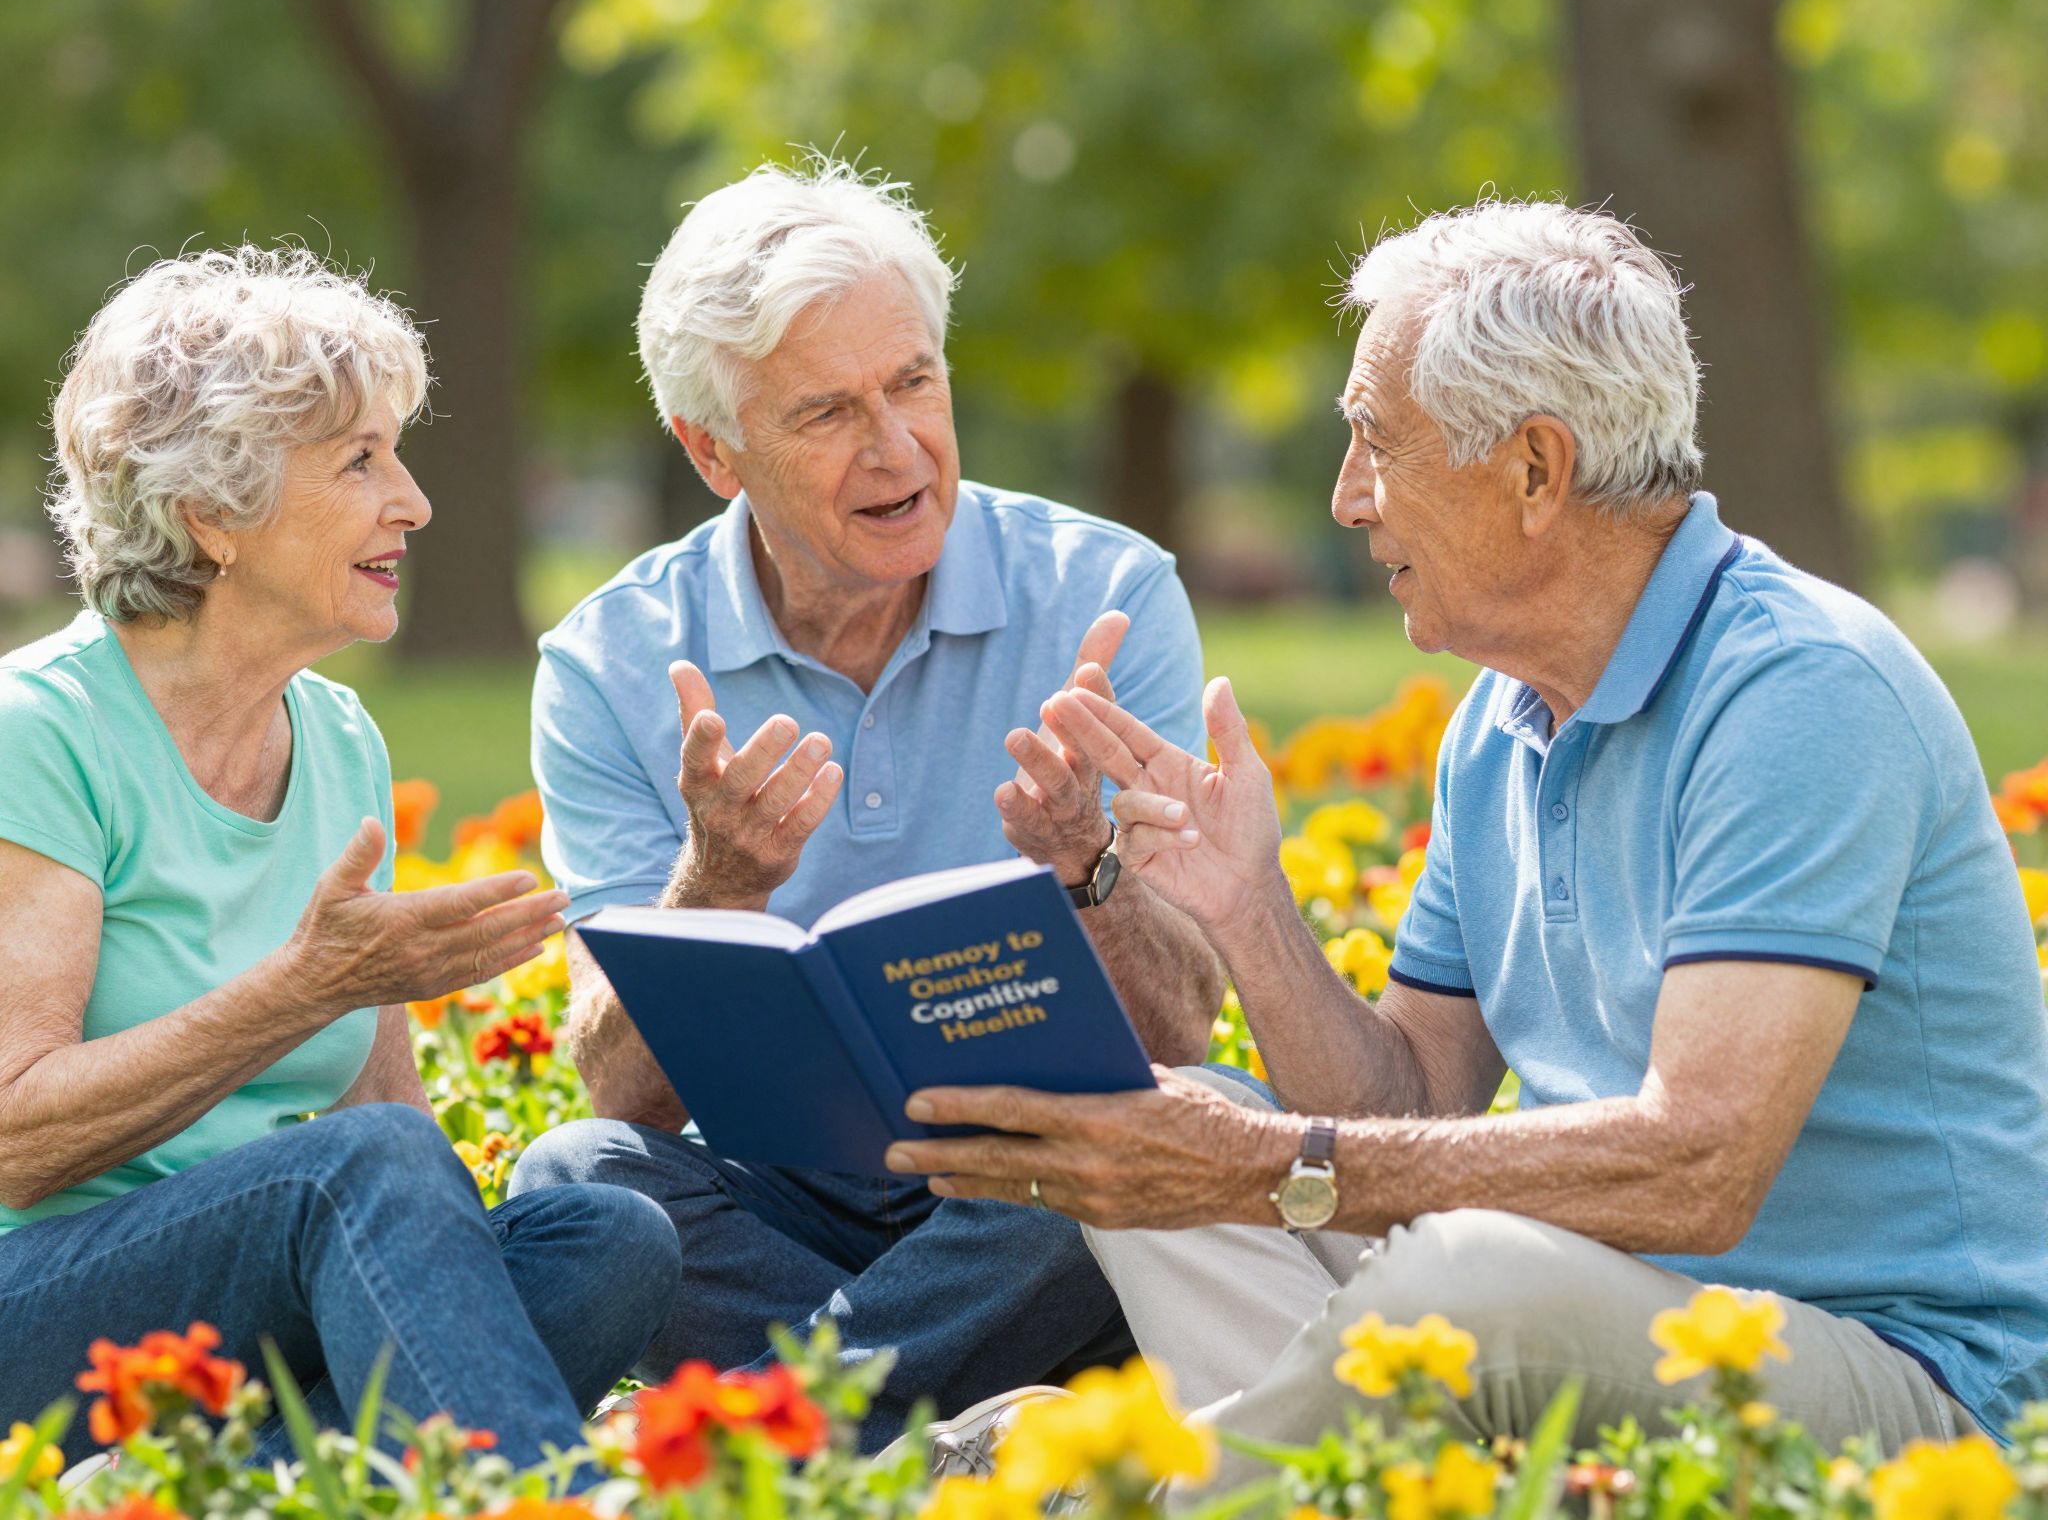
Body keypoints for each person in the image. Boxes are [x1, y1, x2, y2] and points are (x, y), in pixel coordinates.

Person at [884, 202, 2048, 1477]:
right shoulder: (1498, 720)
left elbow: (1697, 1171)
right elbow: (1408, 1105)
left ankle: (1124, 1495)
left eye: (1375, 442)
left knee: (1462, 1278)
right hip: (1595, 1329)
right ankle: (1308, 1486)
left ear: (1534, 469)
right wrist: (1247, 911)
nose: (1344, 499)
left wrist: (1268, 1162)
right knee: (1169, 1119)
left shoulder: (1797, 694)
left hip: (1917, 1392)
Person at [510, 157, 1223, 1451]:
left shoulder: (1106, 596)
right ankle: (950, 1415)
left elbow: (1181, 1028)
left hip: (1035, 1176)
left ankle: (767, 1439)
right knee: (578, 1181)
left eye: (912, 382)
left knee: (1152, 1155)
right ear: (711, 451)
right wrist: (718, 883)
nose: (896, 448)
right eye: (827, 412)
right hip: (784, 1190)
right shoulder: (610, 662)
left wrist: (1086, 865)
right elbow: (620, 1096)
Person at [0, 248, 682, 1471]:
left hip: (253, 1310)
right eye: (360, 461)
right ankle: (537, 1496)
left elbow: (385, 1115)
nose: (412, 501)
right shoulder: (40, 731)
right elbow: (17, 1139)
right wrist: (304, 989)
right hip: (44, 1305)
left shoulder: (339, 738)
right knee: (354, 1175)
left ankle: (214, 1485)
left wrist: (437, 1279)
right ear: (212, 511)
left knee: (611, 1241)